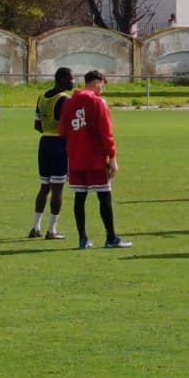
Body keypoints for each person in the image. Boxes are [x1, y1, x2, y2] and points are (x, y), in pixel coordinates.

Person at [58, 70, 131, 249]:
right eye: (102, 84)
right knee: (104, 196)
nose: (102, 89)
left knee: (79, 197)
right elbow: (106, 133)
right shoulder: (98, 102)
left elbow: (62, 131)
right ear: (97, 82)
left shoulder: (69, 103)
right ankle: (111, 237)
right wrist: (112, 157)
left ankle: (83, 239)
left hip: (75, 157)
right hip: (96, 158)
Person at [29, 68, 74, 240]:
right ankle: (52, 229)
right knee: (57, 188)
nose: (73, 82)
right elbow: (69, 126)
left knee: (44, 187)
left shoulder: (42, 97)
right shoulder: (64, 100)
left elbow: (37, 125)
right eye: (70, 79)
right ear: (61, 80)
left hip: (44, 143)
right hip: (59, 144)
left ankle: (35, 227)